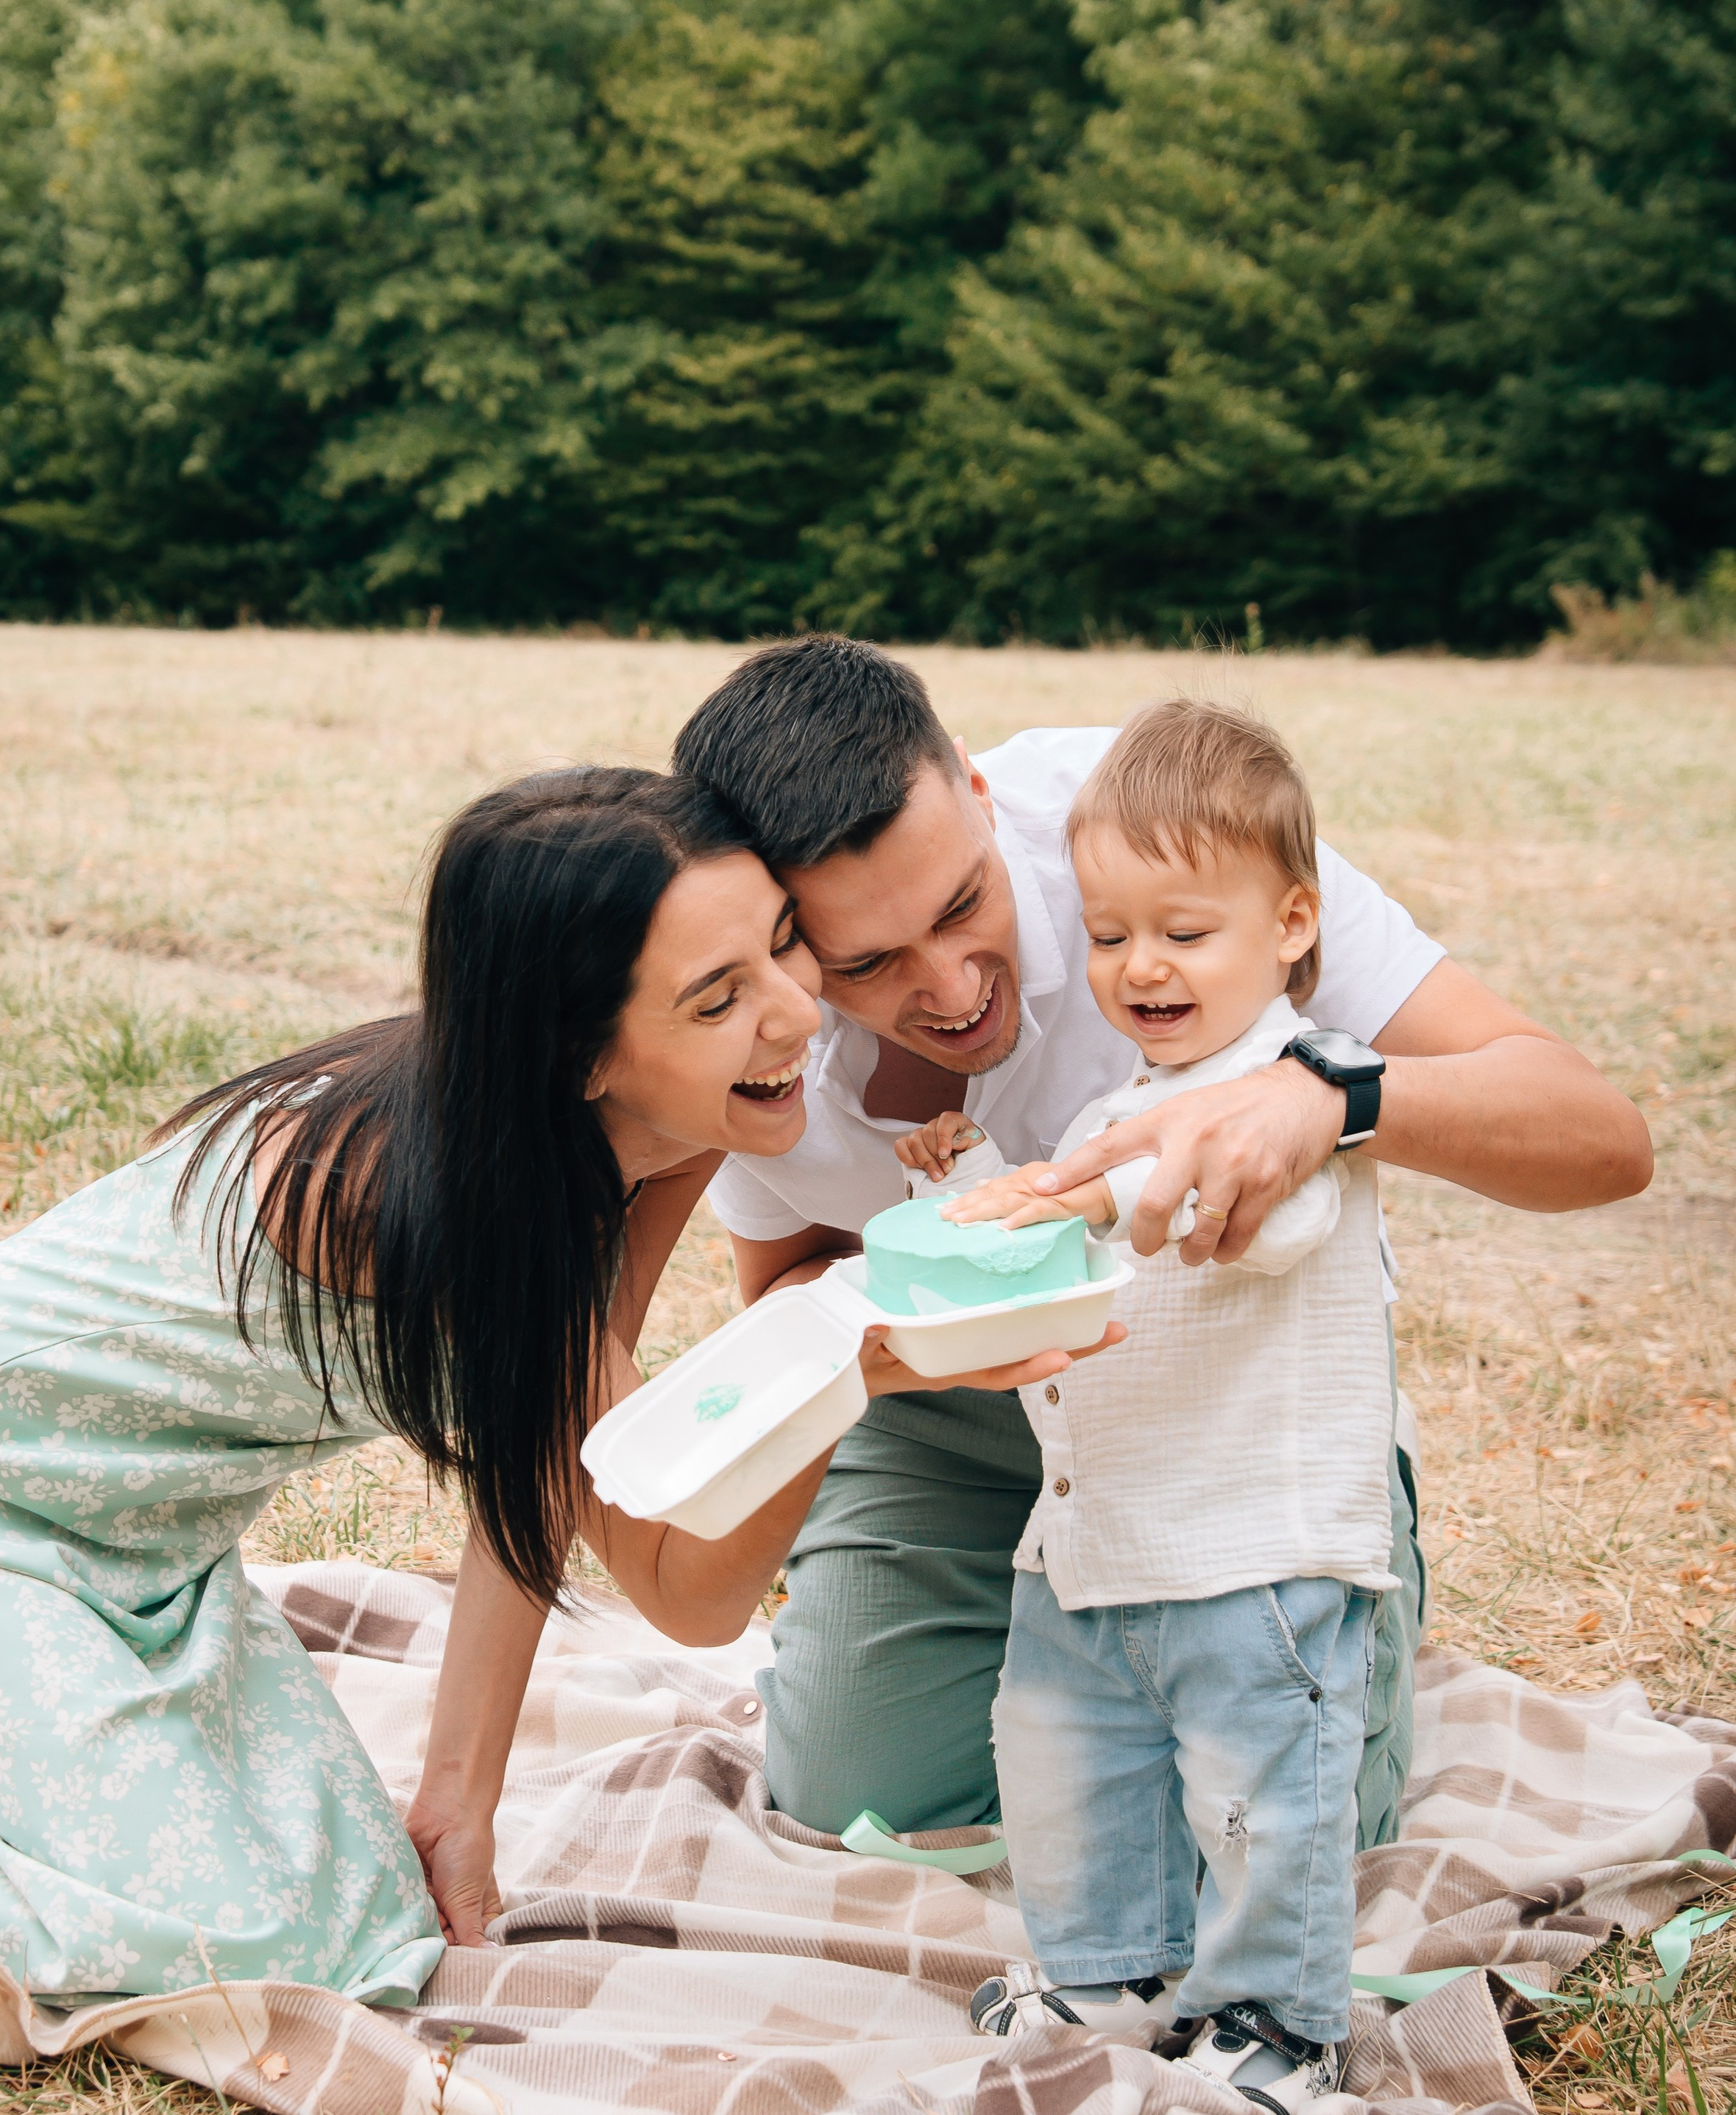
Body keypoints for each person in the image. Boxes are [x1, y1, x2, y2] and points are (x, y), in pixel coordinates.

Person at [436, 640, 1651, 1939]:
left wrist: (1328, 1096)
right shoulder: (740, 1015)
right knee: (859, 1802)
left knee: (1272, 1865)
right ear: (775, 931)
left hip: (1246, 1410)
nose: (949, 991)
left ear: (973, 790)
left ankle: (1305, 1621)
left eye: (964, 905)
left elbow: (1600, 1137)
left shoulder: (1151, 831)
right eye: (864, 965)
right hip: (949, 1412)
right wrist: (462, 1787)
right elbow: (586, 1380)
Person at [0, 768, 1072, 2001]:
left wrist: (456, 1801)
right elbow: (683, 1590)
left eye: (781, 947)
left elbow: (553, 1470)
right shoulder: (442, 1210)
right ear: (586, 1054)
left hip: (145, 1554)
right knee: (271, 1955)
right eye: (720, 998)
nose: (798, 1018)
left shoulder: (670, 1118)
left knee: (377, 1923)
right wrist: (847, 1363)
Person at [904, 699, 1403, 2115]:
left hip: (1253, 1543)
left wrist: (1080, 1188)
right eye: (1113, 933)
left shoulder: (1290, 1094)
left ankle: (1277, 2020)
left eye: (1185, 932)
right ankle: (1109, 1964)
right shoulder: (1121, 1103)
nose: (1142, 967)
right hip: (1095, 1532)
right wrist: (969, 1190)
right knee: (1068, 1758)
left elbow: (1226, 1216)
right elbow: (1069, 1251)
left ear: (1294, 922)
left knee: (1262, 1789)